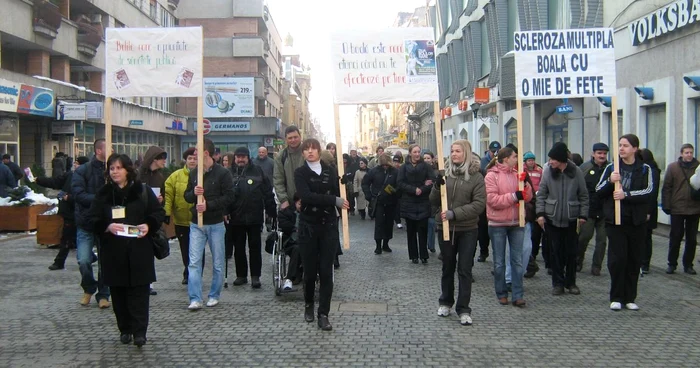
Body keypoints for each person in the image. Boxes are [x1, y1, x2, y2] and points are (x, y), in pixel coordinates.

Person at [88, 154, 164, 347]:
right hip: (113, 252)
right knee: (119, 294)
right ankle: (125, 328)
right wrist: (107, 226)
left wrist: (149, 225)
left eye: (118, 168)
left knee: (140, 293)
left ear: (128, 170)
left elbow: (158, 213)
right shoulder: (104, 193)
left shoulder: (143, 191)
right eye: (112, 168)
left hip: (140, 250)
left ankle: (140, 332)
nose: (115, 172)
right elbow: (91, 219)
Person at [294, 138, 349, 331]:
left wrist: (344, 187)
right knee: (309, 273)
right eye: (306, 149)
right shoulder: (300, 173)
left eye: (313, 149)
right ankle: (309, 303)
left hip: (328, 227)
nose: (310, 152)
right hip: (308, 226)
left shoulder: (331, 171)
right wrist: (333, 200)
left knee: (326, 273)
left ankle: (323, 313)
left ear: (319, 151)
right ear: (302, 154)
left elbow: (340, 193)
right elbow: (306, 196)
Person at [595, 134, 654, 311]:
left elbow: (649, 191)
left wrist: (626, 195)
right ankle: (616, 296)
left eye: (626, 146)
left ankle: (630, 297)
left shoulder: (644, 169)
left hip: (636, 221)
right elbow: (598, 190)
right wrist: (609, 181)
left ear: (634, 149)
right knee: (618, 259)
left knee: (634, 259)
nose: (621, 149)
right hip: (616, 221)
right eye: (620, 145)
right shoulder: (612, 168)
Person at [431, 140, 485, 326]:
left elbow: (479, 204)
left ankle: (464, 308)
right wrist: (437, 186)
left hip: (467, 229)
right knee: (447, 266)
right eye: (452, 151)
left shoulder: (476, 176)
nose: (454, 154)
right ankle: (445, 301)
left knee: (464, 269)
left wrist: (455, 214)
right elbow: (433, 200)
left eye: (458, 151)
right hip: (445, 228)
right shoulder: (444, 173)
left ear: (466, 153)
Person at [184, 139, 235, 310]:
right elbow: (187, 196)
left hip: (215, 223)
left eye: (197, 150)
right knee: (194, 262)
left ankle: (214, 295)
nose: (194, 154)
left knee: (218, 262)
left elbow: (229, 197)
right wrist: (193, 193)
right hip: (196, 224)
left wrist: (209, 205)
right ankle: (195, 298)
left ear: (206, 153)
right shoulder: (194, 173)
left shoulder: (223, 173)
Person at [536, 142, 589, 296]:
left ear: (560, 159)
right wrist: (540, 214)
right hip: (552, 219)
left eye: (553, 159)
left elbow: (584, 195)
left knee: (571, 253)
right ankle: (558, 283)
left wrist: (583, 214)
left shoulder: (576, 171)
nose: (550, 161)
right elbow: (541, 194)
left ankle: (571, 282)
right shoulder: (548, 172)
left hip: (571, 219)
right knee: (555, 252)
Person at [485, 146, 532, 307]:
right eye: (515, 156)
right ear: (506, 159)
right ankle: (501, 292)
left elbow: (527, 197)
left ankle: (518, 294)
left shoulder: (517, 175)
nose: (517, 159)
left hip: (517, 223)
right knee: (499, 261)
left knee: (517, 261)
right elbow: (492, 200)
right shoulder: (492, 176)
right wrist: (514, 196)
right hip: (498, 223)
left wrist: (526, 185)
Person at [228, 146, 276, 288]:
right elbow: (224, 195)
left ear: (248, 158)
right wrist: (225, 211)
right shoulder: (229, 173)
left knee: (255, 248)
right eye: (238, 157)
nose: (240, 159)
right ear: (235, 158)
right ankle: (241, 275)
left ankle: (256, 276)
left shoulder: (257, 171)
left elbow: (267, 192)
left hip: (255, 216)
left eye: (243, 156)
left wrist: (271, 210)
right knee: (239, 248)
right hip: (236, 217)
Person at [72, 139, 110, 308]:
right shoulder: (83, 171)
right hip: (86, 222)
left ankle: (103, 294)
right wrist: (100, 200)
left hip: (106, 224)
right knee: (84, 260)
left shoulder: (112, 170)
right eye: (109, 147)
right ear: (99, 151)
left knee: (106, 261)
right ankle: (89, 287)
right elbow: (78, 194)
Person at [38, 156, 89, 270]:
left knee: (70, 238)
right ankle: (88, 257)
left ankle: (59, 262)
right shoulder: (70, 175)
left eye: (77, 163)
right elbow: (55, 182)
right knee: (69, 237)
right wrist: (38, 180)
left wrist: (69, 198)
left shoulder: (87, 177)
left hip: (81, 212)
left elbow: (86, 196)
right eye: (75, 163)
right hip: (69, 213)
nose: (75, 165)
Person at [662, 143, 700, 275]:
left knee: (691, 239)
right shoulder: (673, 167)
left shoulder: (698, 167)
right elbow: (667, 187)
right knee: (675, 237)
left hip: (694, 208)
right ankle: (672, 264)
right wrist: (666, 205)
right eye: (686, 153)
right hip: (677, 207)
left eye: (691, 152)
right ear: (681, 154)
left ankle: (688, 264)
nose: (689, 155)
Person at [164, 147, 197, 285]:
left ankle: (196, 273)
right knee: (185, 249)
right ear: (185, 160)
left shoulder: (203, 174)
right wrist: (166, 212)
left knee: (197, 249)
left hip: (198, 220)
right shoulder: (175, 176)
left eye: (195, 158)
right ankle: (187, 271)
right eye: (190, 158)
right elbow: (168, 194)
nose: (192, 161)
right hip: (181, 220)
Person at [397, 144, 435, 264]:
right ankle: (413, 255)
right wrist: (413, 189)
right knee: (411, 231)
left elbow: (431, 181)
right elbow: (400, 183)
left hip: (423, 201)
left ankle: (424, 255)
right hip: (408, 202)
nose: (417, 154)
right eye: (415, 152)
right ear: (410, 153)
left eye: (419, 152)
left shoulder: (426, 166)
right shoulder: (404, 167)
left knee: (423, 230)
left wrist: (422, 188)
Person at [577, 143, 610, 276]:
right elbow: (578, 188)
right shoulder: (584, 168)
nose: (602, 156)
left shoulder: (611, 168)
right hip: (588, 210)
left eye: (604, 153)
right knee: (584, 237)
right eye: (599, 153)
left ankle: (597, 266)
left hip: (604, 211)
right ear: (593, 154)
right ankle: (578, 261)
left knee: (602, 241)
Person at [137, 146, 167, 296]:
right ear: (154, 159)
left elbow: (163, 198)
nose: (164, 161)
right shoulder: (138, 175)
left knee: (149, 252)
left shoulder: (160, 177)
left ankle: (148, 283)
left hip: (151, 219)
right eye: (162, 158)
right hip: (137, 218)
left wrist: (160, 201)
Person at [362, 153, 399, 254]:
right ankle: (378, 245)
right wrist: (369, 195)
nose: (385, 166)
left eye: (387, 165)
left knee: (389, 223)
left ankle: (386, 244)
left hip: (391, 202)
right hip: (378, 202)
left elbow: (399, 185)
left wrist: (394, 191)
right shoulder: (374, 171)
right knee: (379, 224)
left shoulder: (395, 172)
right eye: (383, 165)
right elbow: (365, 183)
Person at [478, 141, 501, 262]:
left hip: (496, 199)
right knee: (483, 229)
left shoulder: (502, 161)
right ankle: (483, 251)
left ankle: (496, 255)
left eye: (497, 151)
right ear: (489, 151)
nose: (495, 154)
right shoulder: (483, 162)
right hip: (484, 197)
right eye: (493, 151)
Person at [639, 149, 660, 274]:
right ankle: (643, 262)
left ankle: (645, 263)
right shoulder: (647, 169)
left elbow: (652, 193)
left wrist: (648, 211)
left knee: (646, 238)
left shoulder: (650, 171)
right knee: (644, 237)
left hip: (648, 209)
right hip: (646, 209)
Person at [523, 151, 544, 276]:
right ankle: (531, 264)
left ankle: (531, 263)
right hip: (526, 203)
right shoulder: (523, 171)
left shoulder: (539, 171)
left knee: (529, 238)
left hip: (533, 202)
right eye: (529, 160)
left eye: (532, 160)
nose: (531, 162)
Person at [274, 126, 304, 210]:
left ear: (300, 137)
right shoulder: (281, 156)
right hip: (288, 203)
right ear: (286, 139)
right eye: (290, 138)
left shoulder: (307, 152)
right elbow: (278, 180)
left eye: (295, 137)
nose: (293, 140)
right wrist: (283, 200)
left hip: (306, 201)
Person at [278, 193, 303, 290]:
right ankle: (290, 279)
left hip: (308, 241)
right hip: (291, 242)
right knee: (297, 249)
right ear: (296, 203)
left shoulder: (310, 213)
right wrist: (295, 228)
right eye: (300, 204)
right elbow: (284, 225)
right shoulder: (286, 213)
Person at [423, 151, 439, 253]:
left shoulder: (437, 172)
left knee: (432, 223)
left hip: (433, 201)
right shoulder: (420, 170)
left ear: (432, 159)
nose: (426, 160)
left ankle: (431, 245)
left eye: (428, 158)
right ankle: (424, 244)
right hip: (423, 200)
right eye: (424, 158)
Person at [392, 153, 404, 229]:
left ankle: (398, 220)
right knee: (394, 207)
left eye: (397, 162)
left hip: (400, 192)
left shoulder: (402, 170)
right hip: (392, 191)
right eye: (395, 162)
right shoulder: (391, 170)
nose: (396, 164)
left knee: (398, 207)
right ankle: (396, 221)